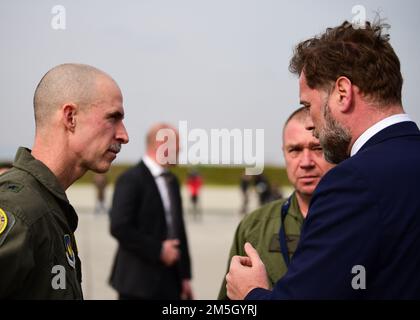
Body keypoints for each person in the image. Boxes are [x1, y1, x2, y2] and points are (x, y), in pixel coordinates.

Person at [226, 20, 420, 300]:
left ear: (343, 92)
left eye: (308, 105)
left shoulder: (353, 181)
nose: (311, 124)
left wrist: (251, 292)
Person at [0, 63, 129, 299]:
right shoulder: (19, 212)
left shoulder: (47, 206)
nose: (124, 135)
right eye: (113, 118)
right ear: (71, 117)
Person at [218, 107, 333, 299]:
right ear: (284, 153)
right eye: (294, 150)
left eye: (317, 148)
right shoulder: (254, 226)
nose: (306, 162)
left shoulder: (361, 222)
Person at [109, 123, 193, 300]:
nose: (180, 149)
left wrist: (185, 276)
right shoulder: (130, 179)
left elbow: (178, 230)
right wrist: (159, 250)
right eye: (177, 144)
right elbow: (119, 227)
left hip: (170, 282)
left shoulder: (173, 181)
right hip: (137, 283)